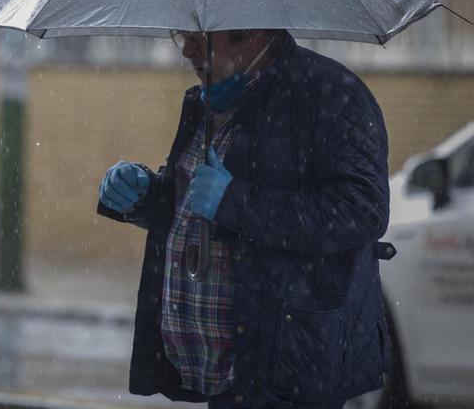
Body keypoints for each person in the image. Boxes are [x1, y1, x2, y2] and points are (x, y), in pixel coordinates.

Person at [97, 29, 396, 409]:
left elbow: (362, 209)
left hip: (287, 373)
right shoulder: (217, 99)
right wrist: (144, 197)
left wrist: (234, 201)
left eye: (199, 36)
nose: (187, 49)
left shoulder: (331, 95)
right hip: (224, 377)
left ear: (251, 32)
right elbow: (197, 206)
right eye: (180, 36)